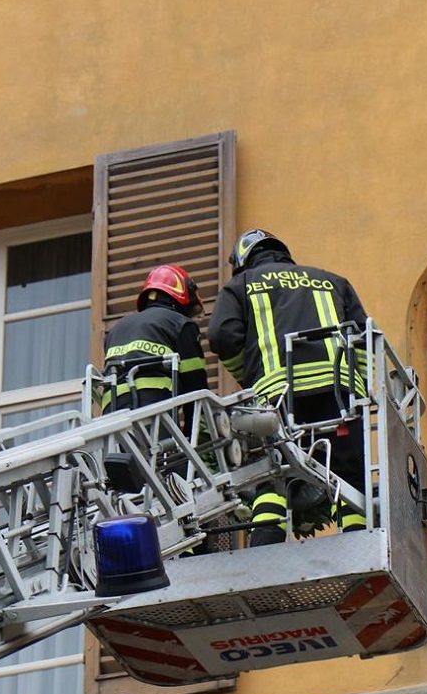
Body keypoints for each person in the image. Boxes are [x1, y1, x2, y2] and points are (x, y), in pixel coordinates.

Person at [208, 229, 370, 546]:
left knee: (271, 472)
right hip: (338, 395)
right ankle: (357, 539)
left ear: (242, 261)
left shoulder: (241, 285)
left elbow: (221, 337)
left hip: (276, 396)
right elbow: (364, 338)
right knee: (348, 473)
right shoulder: (333, 281)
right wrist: (358, 389)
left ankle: (265, 545)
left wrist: (249, 375)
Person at [101, 264, 209, 419]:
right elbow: (195, 387)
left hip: (112, 419)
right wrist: (200, 429)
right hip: (154, 413)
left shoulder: (116, 329)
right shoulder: (180, 324)